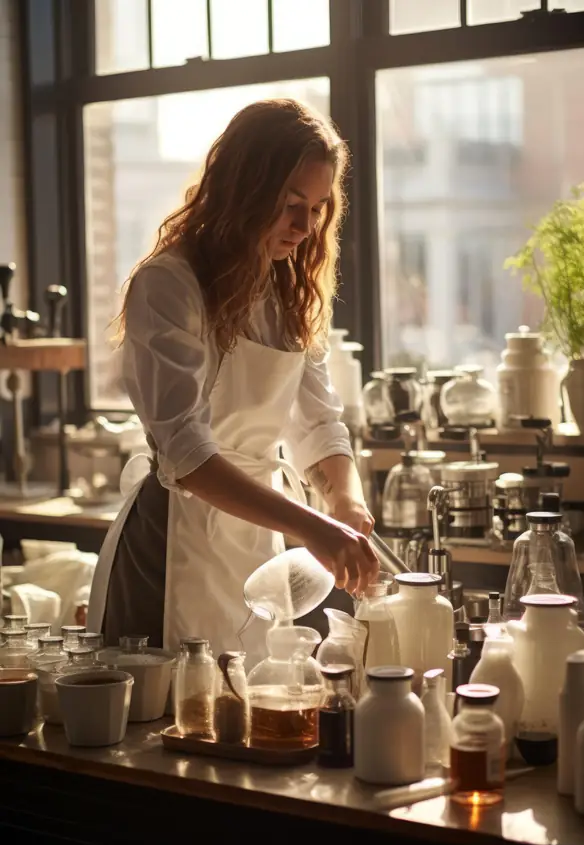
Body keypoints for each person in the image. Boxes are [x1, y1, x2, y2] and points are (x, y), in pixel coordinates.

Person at [87, 98, 378, 667]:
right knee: (174, 721)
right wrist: (314, 528)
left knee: (251, 702)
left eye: (318, 209)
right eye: (291, 204)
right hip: (175, 545)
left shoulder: (286, 293)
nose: (304, 227)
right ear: (244, 189)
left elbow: (319, 422)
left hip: (260, 545)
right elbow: (187, 455)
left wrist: (345, 500)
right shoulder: (169, 284)